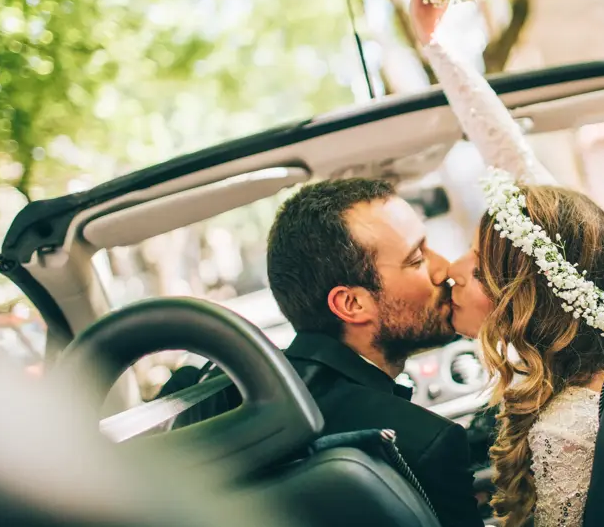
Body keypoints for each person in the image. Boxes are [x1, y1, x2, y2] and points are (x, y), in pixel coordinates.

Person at [409, 0, 604, 527]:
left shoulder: (563, 431)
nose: (449, 270)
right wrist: (437, 48)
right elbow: (514, 158)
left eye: (478, 270)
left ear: (528, 299)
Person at [177, 178, 484, 527]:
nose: (443, 267)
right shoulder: (424, 443)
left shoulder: (210, 396)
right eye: (417, 258)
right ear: (351, 304)